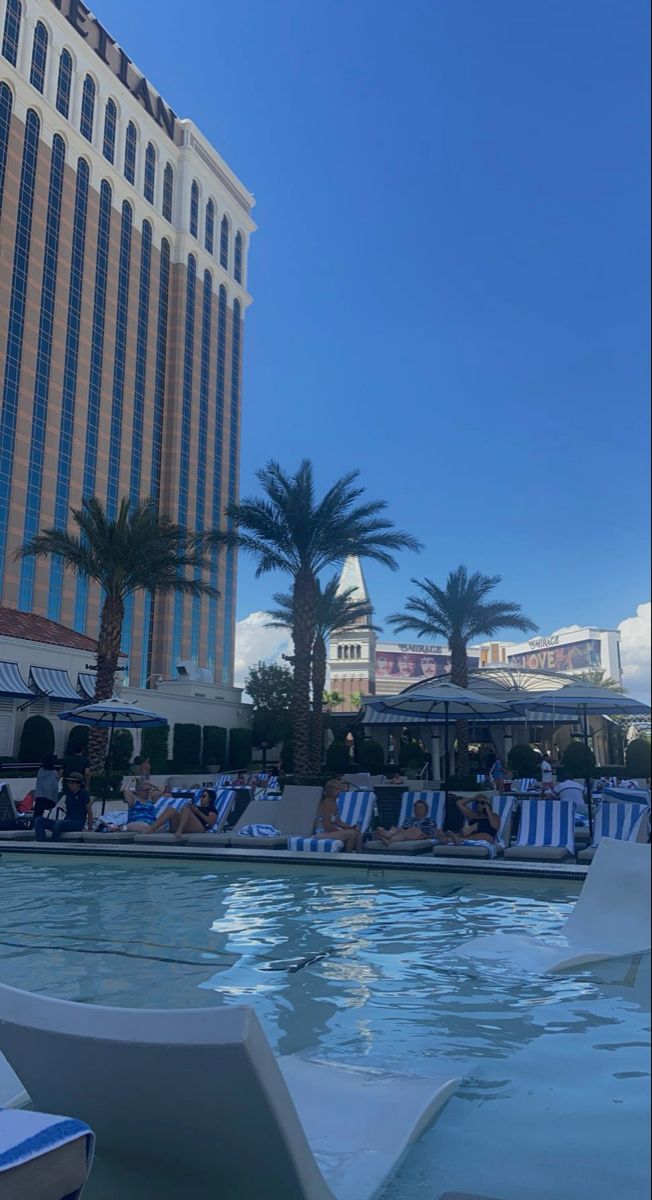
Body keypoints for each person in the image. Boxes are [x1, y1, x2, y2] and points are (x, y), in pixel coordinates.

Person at [34, 772, 93, 841]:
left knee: (59, 823)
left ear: (79, 784)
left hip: (77, 823)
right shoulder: (69, 794)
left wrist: (90, 827)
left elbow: (89, 811)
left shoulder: (84, 794)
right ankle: (41, 842)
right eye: (69, 783)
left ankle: (53, 844)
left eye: (72, 783)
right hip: (67, 821)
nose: (70, 785)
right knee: (38, 820)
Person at [313, 785, 363, 852]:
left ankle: (360, 856)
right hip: (322, 833)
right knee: (352, 834)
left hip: (329, 831)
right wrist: (341, 831)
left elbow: (338, 822)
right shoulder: (327, 803)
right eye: (337, 789)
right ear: (330, 791)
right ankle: (348, 856)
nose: (340, 791)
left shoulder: (334, 803)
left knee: (357, 832)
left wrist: (350, 827)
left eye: (339, 789)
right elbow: (326, 825)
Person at [33, 754, 61, 820]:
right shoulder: (54, 773)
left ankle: (35, 822)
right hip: (49, 799)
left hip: (39, 797)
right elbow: (54, 787)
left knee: (38, 810)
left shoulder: (40, 771)